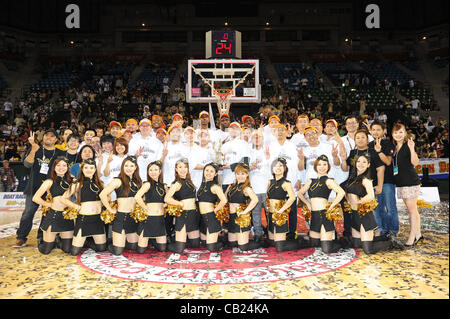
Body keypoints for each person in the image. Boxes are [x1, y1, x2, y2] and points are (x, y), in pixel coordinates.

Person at [14, 129, 65, 248]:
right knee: (28, 213)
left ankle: (41, 237)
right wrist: (33, 149)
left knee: (47, 215)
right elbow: (27, 164)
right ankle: (21, 237)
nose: (49, 138)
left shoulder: (59, 153)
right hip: (34, 188)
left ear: (56, 139)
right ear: (43, 137)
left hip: (50, 190)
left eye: (52, 136)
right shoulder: (36, 148)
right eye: (47, 135)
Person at [343, 154, 401, 254]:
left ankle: (390, 243)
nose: (361, 164)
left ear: (368, 165)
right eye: (359, 161)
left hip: (364, 216)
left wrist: (359, 202)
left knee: (368, 250)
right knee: (357, 244)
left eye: (364, 162)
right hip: (354, 215)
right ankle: (382, 238)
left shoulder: (366, 180)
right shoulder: (351, 179)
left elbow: (371, 196)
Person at [297, 155, 346, 254]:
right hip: (314, 216)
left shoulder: (329, 180)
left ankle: (342, 243)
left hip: (325, 215)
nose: (322, 167)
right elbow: (299, 193)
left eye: (324, 164)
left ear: (328, 167)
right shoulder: (311, 181)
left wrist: (332, 205)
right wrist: (307, 203)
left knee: (326, 250)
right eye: (319, 164)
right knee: (313, 244)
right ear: (315, 166)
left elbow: (342, 193)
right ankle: (328, 238)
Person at [341, 129, 384, 238]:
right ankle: (349, 231)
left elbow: (380, 168)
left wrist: (380, 185)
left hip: (368, 184)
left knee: (371, 210)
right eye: (357, 138)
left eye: (362, 137)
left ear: (367, 139)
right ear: (354, 140)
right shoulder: (352, 152)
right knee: (352, 208)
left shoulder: (372, 151)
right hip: (354, 184)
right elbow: (346, 168)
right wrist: (343, 159)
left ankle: (376, 233)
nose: (360, 140)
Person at [60, 158, 107, 255]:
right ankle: (59, 242)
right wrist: (75, 206)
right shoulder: (77, 184)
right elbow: (63, 198)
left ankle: (88, 242)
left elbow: (108, 196)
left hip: (97, 219)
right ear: (82, 169)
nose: (89, 170)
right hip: (83, 220)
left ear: (95, 170)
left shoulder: (100, 183)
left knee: (101, 249)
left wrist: (104, 203)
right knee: (74, 252)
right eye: (86, 168)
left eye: (91, 168)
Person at [99, 156, 142, 255]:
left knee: (134, 246)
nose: (128, 168)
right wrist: (110, 209)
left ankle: (120, 240)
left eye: (131, 166)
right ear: (122, 167)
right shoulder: (118, 180)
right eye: (126, 165)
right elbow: (102, 194)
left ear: (135, 167)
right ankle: (110, 244)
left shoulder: (138, 182)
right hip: (121, 218)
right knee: (118, 252)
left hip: (133, 218)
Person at [266, 123, 302, 240]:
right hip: (276, 183)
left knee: (291, 209)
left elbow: (297, 164)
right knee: (274, 208)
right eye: (277, 130)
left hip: (290, 182)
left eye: (282, 130)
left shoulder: (292, 146)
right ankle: (273, 232)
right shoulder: (270, 146)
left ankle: (292, 233)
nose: (280, 132)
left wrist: (299, 179)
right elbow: (268, 166)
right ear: (273, 132)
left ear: (287, 132)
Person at [32, 157, 73, 254]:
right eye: (58, 165)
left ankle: (58, 241)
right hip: (53, 216)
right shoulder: (49, 181)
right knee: (46, 250)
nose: (61, 168)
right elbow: (35, 198)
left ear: (67, 167)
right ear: (54, 167)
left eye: (64, 165)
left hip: (67, 217)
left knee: (67, 250)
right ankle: (42, 242)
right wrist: (48, 204)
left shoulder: (72, 181)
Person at [391, 123, 423, 247]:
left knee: (411, 211)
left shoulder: (407, 145)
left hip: (410, 182)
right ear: (392, 134)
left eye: (400, 132)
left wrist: (411, 148)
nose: (398, 135)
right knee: (413, 210)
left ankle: (412, 238)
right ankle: (418, 234)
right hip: (401, 183)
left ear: (404, 133)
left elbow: (415, 162)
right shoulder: (394, 148)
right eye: (395, 132)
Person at [369, 121, 399, 238]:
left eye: (378, 129)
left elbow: (387, 161)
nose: (375, 132)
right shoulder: (369, 145)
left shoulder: (388, 144)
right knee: (377, 209)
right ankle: (381, 231)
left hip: (387, 182)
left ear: (384, 131)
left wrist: (379, 151)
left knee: (390, 208)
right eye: (373, 130)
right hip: (374, 182)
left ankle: (393, 232)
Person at [165, 158, 200, 254]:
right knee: (179, 249)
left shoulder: (190, 182)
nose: (183, 169)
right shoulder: (176, 183)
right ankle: (164, 244)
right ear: (176, 169)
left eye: (185, 167)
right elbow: (167, 198)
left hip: (192, 214)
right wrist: (179, 203)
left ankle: (181, 240)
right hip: (183, 215)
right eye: (180, 167)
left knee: (195, 244)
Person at [266, 158, 299, 252]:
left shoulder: (286, 183)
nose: (278, 167)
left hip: (280, 216)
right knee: (272, 243)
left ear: (285, 168)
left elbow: (292, 198)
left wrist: (281, 210)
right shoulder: (270, 182)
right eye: (276, 165)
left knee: (280, 248)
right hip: (271, 216)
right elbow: (267, 196)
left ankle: (300, 243)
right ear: (272, 169)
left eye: (281, 166)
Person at [134, 160, 168, 253]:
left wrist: (165, 205)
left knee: (162, 249)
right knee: (141, 250)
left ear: (160, 171)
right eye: (151, 170)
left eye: (156, 170)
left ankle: (153, 241)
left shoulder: (164, 186)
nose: (153, 172)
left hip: (159, 219)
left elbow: (168, 199)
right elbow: (137, 197)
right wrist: (145, 207)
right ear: (148, 172)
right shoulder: (147, 184)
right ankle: (149, 240)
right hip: (148, 219)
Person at [225, 163, 260, 251]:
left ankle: (261, 243)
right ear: (235, 174)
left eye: (243, 173)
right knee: (232, 244)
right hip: (231, 217)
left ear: (247, 174)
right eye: (238, 173)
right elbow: (225, 199)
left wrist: (245, 212)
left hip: (241, 218)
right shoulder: (231, 186)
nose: (240, 176)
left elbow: (255, 200)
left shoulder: (246, 188)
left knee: (243, 247)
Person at [197, 163, 228, 252]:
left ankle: (223, 242)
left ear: (215, 174)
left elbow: (224, 200)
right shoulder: (202, 184)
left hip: (211, 218)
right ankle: (218, 238)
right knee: (203, 243)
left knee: (211, 248)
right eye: (207, 170)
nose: (208, 173)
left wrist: (215, 210)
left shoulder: (215, 186)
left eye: (211, 171)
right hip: (202, 218)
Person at [248, 131, 270, 245]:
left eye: (259, 137)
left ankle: (271, 234)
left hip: (266, 187)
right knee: (255, 214)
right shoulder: (249, 152)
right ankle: (258, 234)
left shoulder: (268, 150)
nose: (257, 139)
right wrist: (252, 167)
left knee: (269, 213)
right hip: (254, 187)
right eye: (254, 137)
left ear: (263, 139)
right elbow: (243, 169)